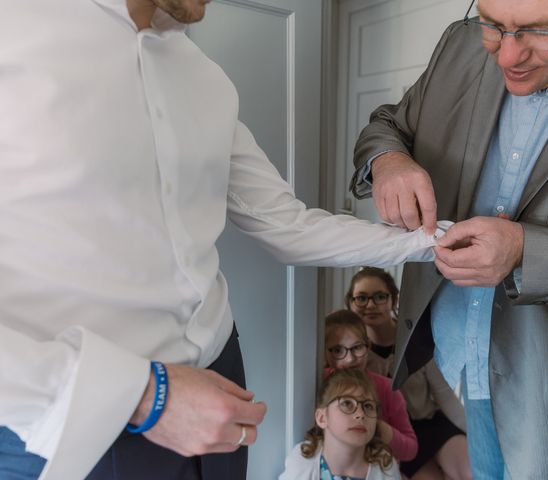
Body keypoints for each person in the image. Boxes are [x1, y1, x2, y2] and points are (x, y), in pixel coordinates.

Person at [0, 1, 447, 479]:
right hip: (67, 427)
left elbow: (286, 223)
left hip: (220, 383)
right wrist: (144, 396)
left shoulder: (204, 78)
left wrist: (438, 241)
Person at [351, 0, 548, 478]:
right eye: (493, 24)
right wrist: (388, 161)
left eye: (543, 30)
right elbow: (388, 125)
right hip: (462, 362)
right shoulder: (459, 41)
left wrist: (529, 252)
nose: (506, 56)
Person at [346, 268, 471, 480]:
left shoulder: (415, 342)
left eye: (379, 297)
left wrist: (478, 436)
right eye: (361, 298)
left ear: (394, 300)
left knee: (469, 471)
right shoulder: (353, 353)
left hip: (431, 424)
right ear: (351, 303)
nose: (370, 305)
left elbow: (445, 396)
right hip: (393, 435)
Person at [324, 310, 418, 463]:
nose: (349, 359)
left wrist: (380, 429)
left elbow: (411, 450)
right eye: (338, 350)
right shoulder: (318, 383)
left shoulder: (388, 389)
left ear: (368, 346)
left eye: (357, 348)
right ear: (325, 353)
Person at [279, 368, 401, 480]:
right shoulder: (303, 460)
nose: (361, 414)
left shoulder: (385, 466)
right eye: (347, 404)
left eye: (368, 406)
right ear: (322, 418)